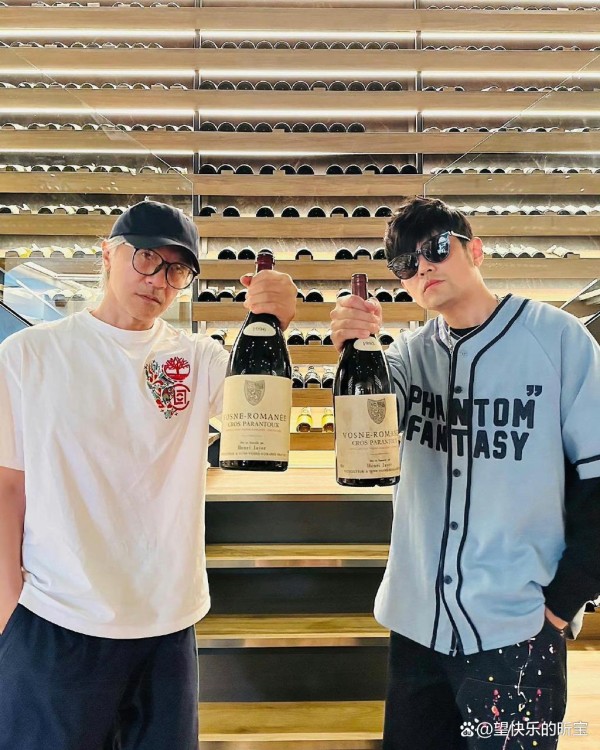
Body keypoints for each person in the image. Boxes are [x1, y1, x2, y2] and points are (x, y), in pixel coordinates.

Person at [0, 199, 297, 749]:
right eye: (146, 258)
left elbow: (261, 410)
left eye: (176, 269)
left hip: (167, 626)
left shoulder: (200, 359)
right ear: (107, 254)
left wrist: (272, 322)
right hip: (55, 618)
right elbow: (7, 489)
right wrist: (8, 610)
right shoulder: (28, 355)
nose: (159, 279)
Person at [330, 196, 600, 749]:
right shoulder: (405, 356)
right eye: (405, 263)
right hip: (416, 629)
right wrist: (353, 346)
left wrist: (561, 604)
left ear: (475, 250)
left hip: (518, 630)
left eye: (436, 248)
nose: (423, 267)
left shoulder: (559, 339)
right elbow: (365, 433)